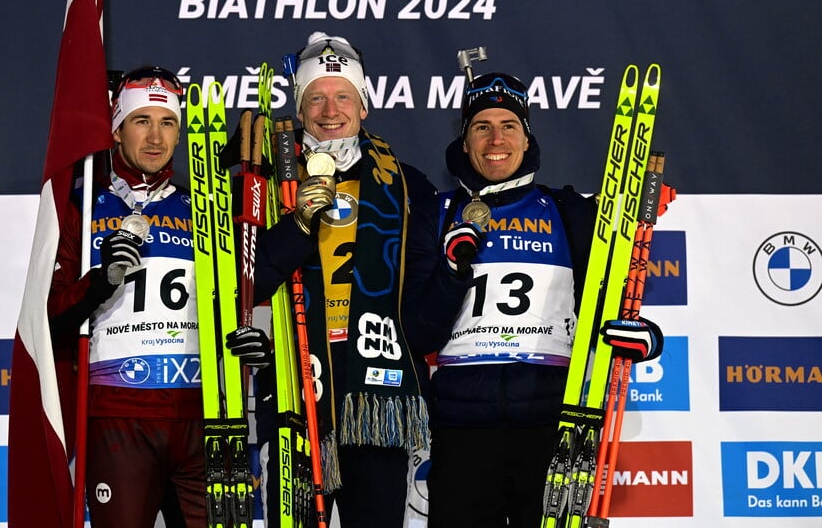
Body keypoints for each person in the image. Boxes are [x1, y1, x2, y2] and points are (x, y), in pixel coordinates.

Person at [401, 68, 663, 528]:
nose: (495, 139)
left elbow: (617, 305)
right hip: (462, 429)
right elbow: (419, 330)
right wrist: (452, 268)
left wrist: (645, 339)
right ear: (465, 143)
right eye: (481, 127)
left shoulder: (571, 211)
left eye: (509, 126)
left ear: (526, 139)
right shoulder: (435, 213)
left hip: (551, 430)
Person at [227, 32, 435, 528]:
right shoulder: (268, 181)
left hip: (374, 399)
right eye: (314, 97)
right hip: (296, 383)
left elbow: (426, 296)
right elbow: (250, 278)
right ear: (298, 111)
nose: (329, 109)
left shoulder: (405, 182)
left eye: (343, 95)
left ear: (363, 105)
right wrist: (297, 222)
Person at [47, 66, 205, 527]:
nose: (155, 138)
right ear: (116, 129)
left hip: (196, 418)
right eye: (141, 121)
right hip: (118, 418)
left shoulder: (202, 206)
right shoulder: (81, 205)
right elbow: (51, 320)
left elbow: (235, 301)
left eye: (167, 123)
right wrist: (101, 281)